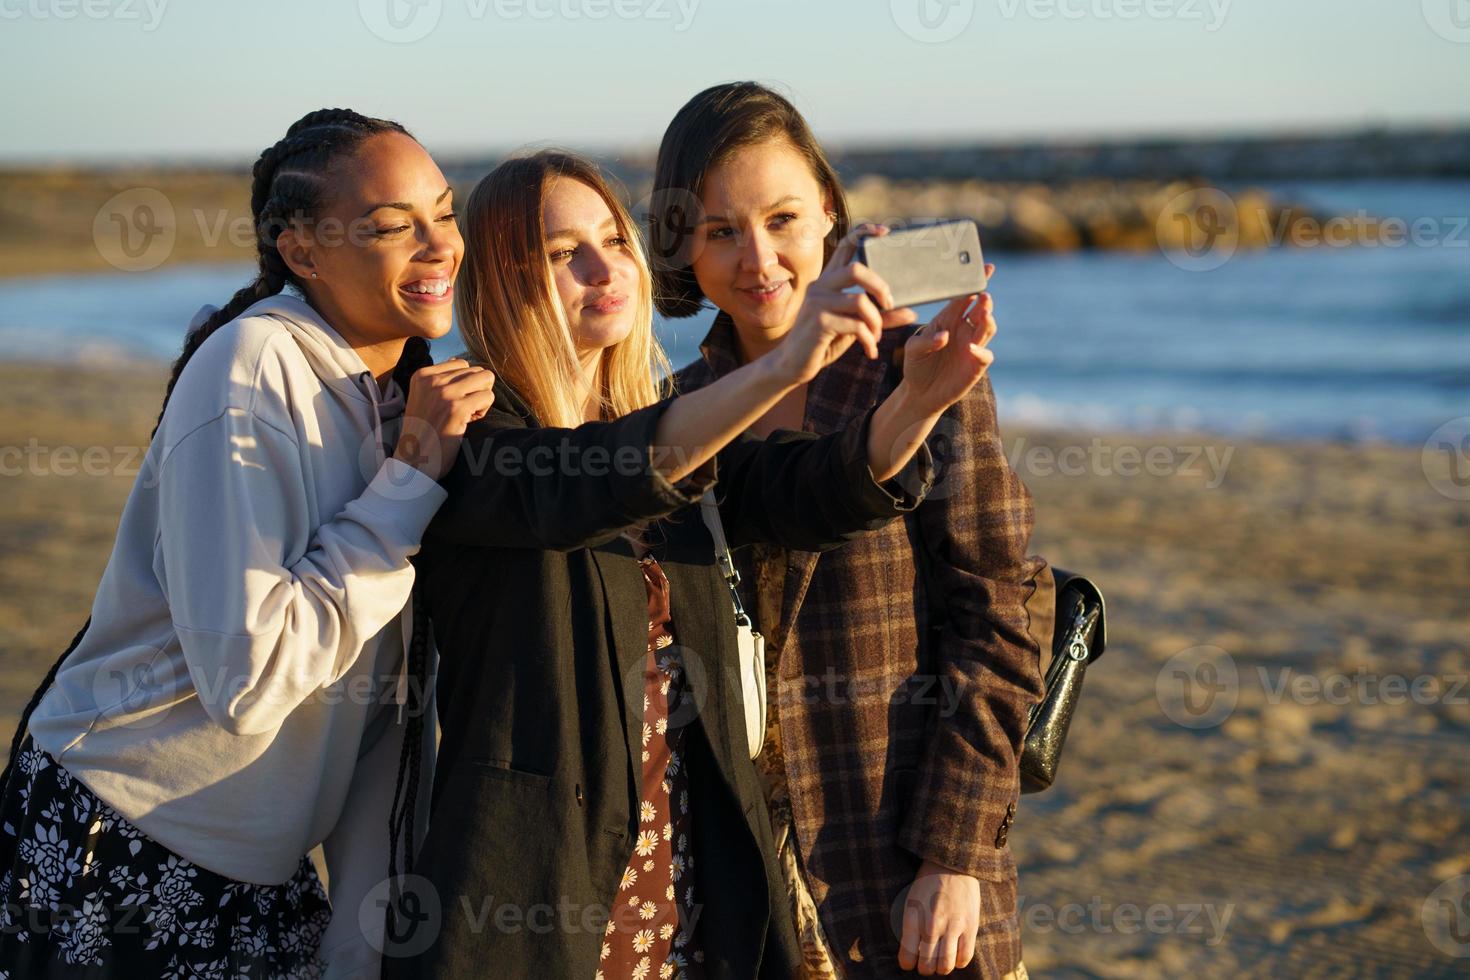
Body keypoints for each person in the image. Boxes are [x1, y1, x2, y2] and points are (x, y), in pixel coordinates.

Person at [381, 150, 998, 980]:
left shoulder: (666, 423)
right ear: (502, 279)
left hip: (689, 886)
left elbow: (805, 489)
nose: (607, 269)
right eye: (565, 255)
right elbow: (592, 480)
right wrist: (786, 362)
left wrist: (918, 399)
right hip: (539, 902)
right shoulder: (476, 434)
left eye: (614, 240)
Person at [0, 108, 494, 978]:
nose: (438, 246)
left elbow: (381, 710)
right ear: (303, 251)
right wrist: (410, 481)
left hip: (261, 875)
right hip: (124, 844)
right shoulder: (254, 368)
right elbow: (250, 677)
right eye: (390, 226)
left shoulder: (394, 396)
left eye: (445, 213)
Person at [653, 82, 1054, 979]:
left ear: (831, 214)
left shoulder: (917, 375)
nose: (760, 259)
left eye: (784, 219)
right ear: (682, 241)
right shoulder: (677, 413)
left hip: (902, 866)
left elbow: (999, 608)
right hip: (740, 887)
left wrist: (956, 856)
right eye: (721, 231)